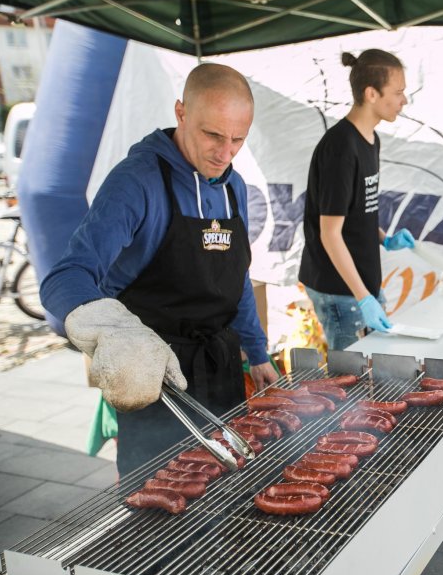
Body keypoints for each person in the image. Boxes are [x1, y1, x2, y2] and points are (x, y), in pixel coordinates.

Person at [40, 64, 278, 477]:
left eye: (238, 139)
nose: (225, 154)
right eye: (213, 135)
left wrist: (257, 354)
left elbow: (235, 277)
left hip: (220, 369)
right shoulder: (137, 182)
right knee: (158, 506)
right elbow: (65, 276)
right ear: (181, 112)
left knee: (229, 497)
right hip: (155, 382)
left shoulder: (232, 186)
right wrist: (110, 331)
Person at [299, 49, 414, 351]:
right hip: (338, 288)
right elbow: (330, 233)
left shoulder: (371, 140)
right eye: (398, 92)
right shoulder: (341, 148)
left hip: (362, 283)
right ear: (371, 94)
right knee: (348, 381)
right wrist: (363, 297)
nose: (404, 101)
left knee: (381, 366)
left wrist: (384, 240)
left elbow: (355, 213)